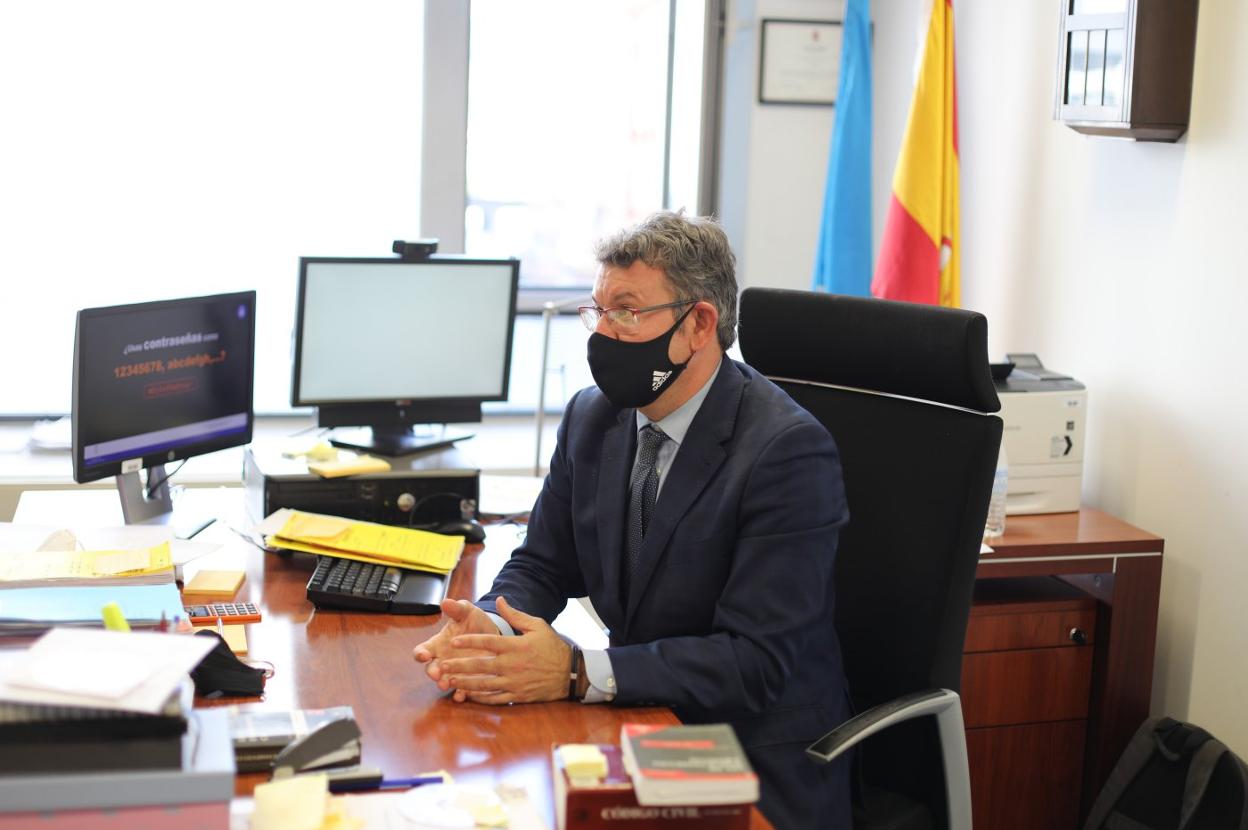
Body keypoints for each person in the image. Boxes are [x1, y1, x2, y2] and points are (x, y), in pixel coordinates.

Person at [413, 211, 851, 828]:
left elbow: (753, 663)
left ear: (699, 324)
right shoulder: (595, 417)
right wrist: (491, 628)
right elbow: (543, 561)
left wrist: (572, 670)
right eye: (597, 311)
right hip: (634, 725)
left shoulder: (787, 453)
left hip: (751, 762)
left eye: (626, 310)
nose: (602, 333)